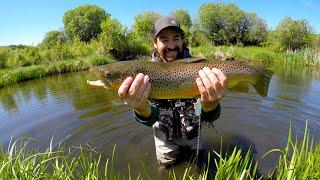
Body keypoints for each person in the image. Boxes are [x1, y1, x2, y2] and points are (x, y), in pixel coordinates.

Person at [117, 16, 228, 169]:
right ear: (154, 43)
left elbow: (209, 117)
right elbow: (149, 119)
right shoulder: (143, 75)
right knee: (166, 170)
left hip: (193, 136)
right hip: (164, 139)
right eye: (164, 39)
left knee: (202, 166)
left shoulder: (202, 69)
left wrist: (212, 105)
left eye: (176, 39)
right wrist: (141, 110)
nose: (171, 46)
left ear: (182, 40)